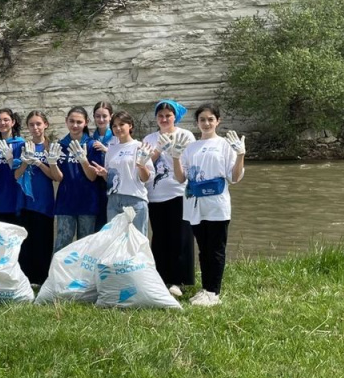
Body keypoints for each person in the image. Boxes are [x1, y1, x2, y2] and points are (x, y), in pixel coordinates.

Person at [169, 103, 246, 307]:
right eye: (202, 119)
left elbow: (235, 177)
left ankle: (214, 292)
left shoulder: (224, 145)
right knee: (203, 249)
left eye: (211, 119)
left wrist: (240, 155)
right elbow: (180, 178)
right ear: (197, 123)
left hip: (217, 205)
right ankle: (206, 288)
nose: (206, 123)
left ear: (218, 121)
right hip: (195, 205)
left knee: (216, 249)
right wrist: (175, 157)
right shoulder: (191, 147)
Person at [143, 100, 196, 297]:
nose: (164, 119)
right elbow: (143, 163)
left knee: (180, 237)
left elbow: (191, 162)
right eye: (160, 116)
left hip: (178, 192)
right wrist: (158, 149)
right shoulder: (150, 138)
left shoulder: (185, 135)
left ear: (175, 117)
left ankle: (178, 280)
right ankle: (161, 278)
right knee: (159, 237)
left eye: (168, 116)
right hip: (154, 195)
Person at [90, 111, 152, 236]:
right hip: (114, 201)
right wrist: (104, 174)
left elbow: (146, 178)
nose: (118, 128)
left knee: (136, 242)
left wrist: (142, 166)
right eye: (114, 126)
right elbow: (111, 180)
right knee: (115, 242)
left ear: (130, 125)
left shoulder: (140, 147)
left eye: (122, 124)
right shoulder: (111, 149)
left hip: (135, 200)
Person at [16, 110, 61, 285]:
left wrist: (40, 163)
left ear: (45, 125)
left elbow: (56, 177)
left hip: (44, 202)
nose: (35, 128)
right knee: (26, 243)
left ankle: (42, 278)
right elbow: (16, 175)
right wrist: (25, 161)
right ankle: (27, 279)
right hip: (26, 202)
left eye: (38, 124)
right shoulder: (24, 147)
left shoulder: (51, 147)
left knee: (43, 241)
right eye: (31, 124)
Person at [52, 106, 98, 252]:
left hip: (87, 202)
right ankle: (57, 268)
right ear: (66, 121)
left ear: (86, 122)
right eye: (71, 121)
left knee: (86, 245)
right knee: (62, 243)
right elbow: (57, 178)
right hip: (66, 202)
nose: (75, 125)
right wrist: (52, 163)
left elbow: (92, 177)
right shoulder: (60, 145)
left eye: (79, 122)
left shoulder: (92, 145)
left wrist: (83, 161)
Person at [0, 108, 25, 223]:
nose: (2, 123)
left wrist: (11, 159)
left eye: (6, 120)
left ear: (13, 122)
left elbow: (22, 173)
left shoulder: (21, 145)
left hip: (16, 199)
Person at [89, 101, 116, 230]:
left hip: (113, 185)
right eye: (98, 116)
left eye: (104, 116)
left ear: (111, 116)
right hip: (94, 185)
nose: (101, 119)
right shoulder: (90, 138)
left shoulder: (117, 136)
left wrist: (106, 150)